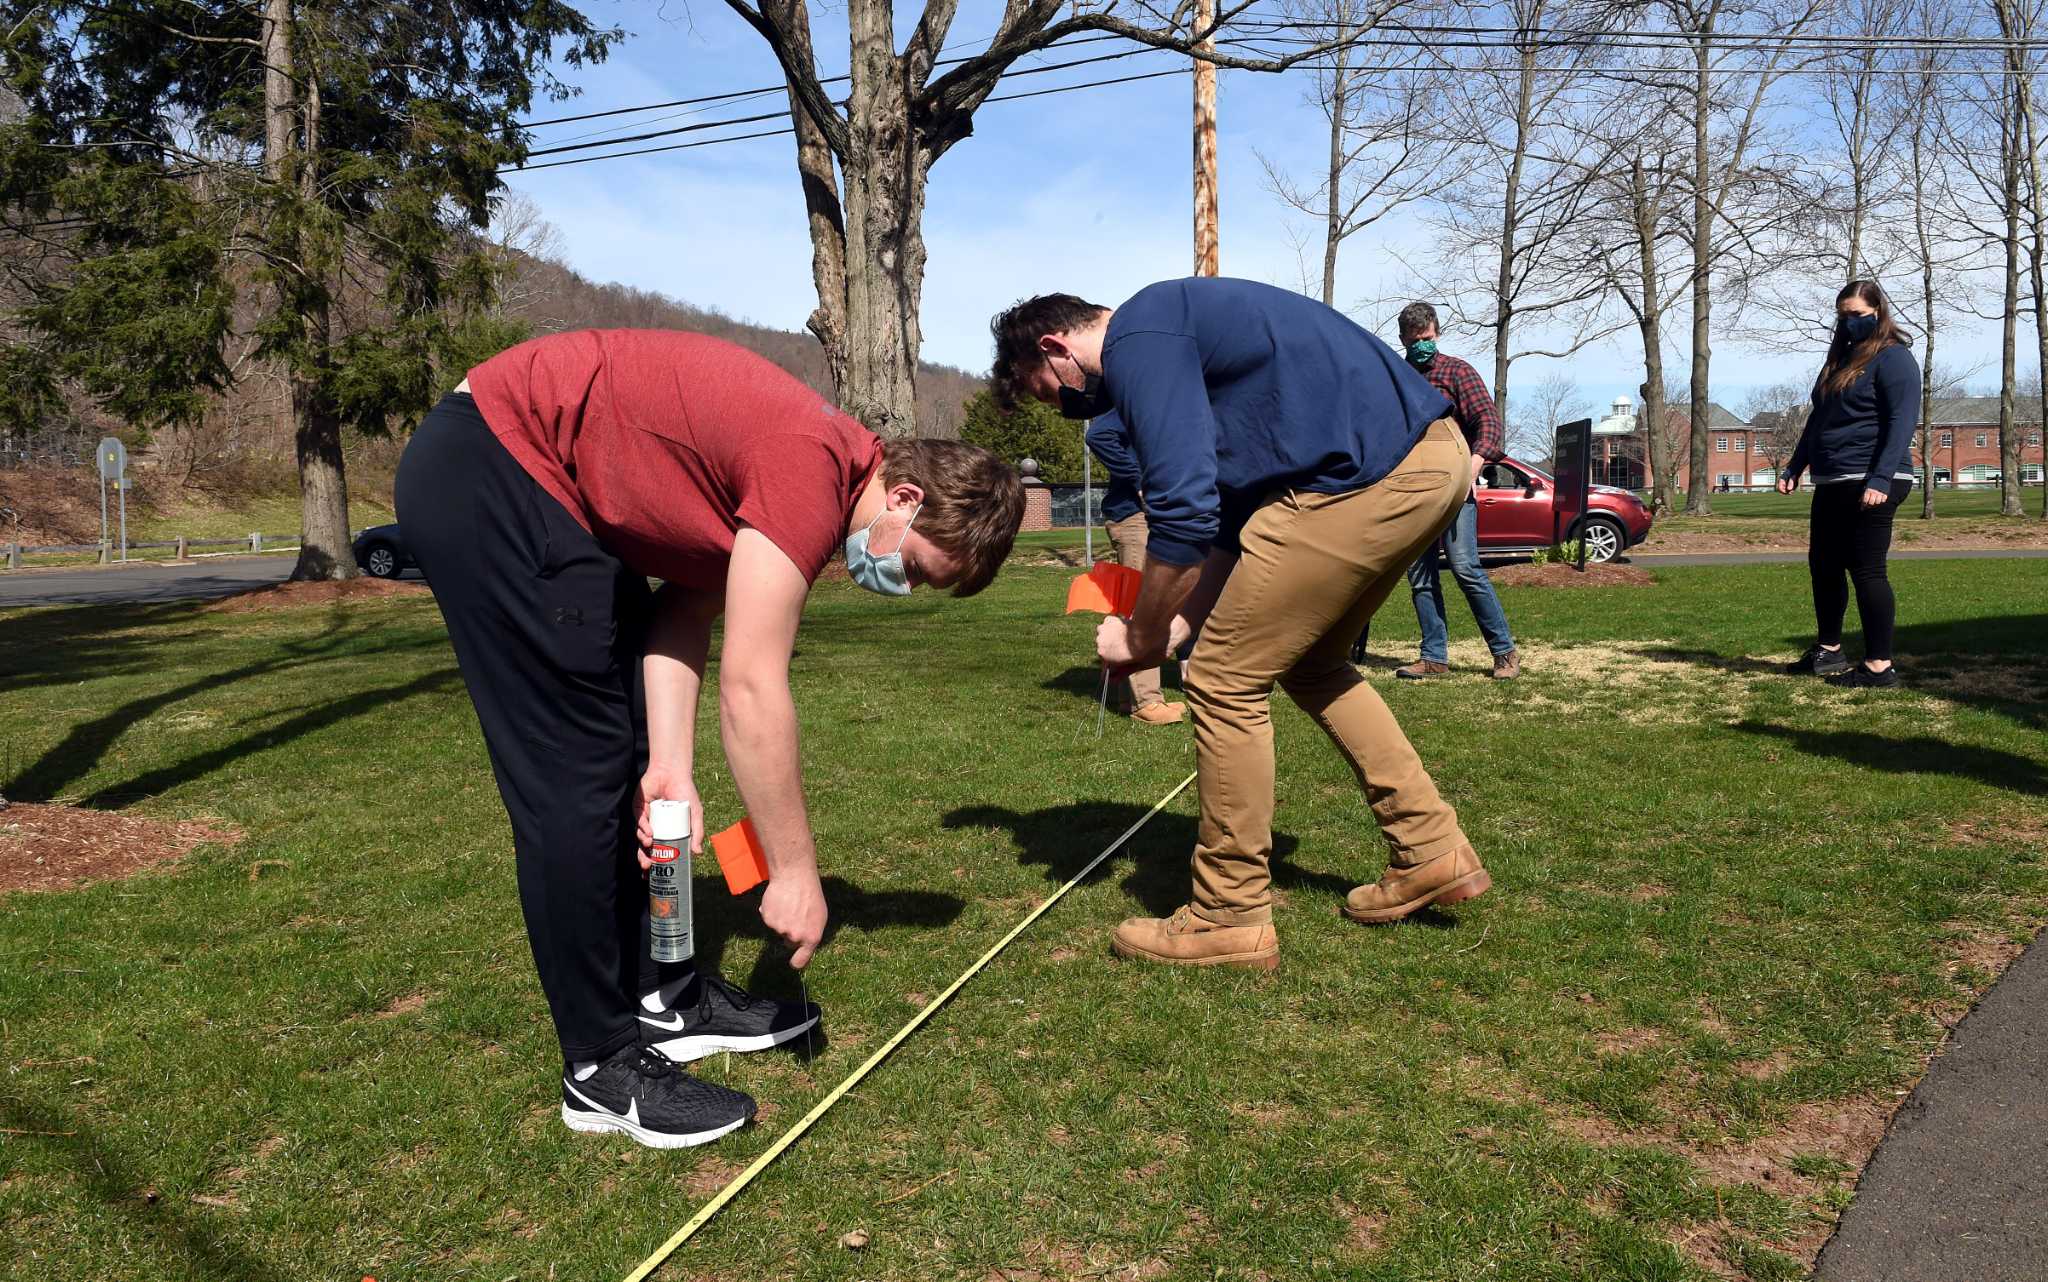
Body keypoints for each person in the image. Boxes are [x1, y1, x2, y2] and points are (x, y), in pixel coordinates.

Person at [396, 328, 1024, 1147]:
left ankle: (667, 999)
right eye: (915, 570)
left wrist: (669, 764)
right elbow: (752, 687)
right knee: (574, 775)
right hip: (496, 466)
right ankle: (598, 1067)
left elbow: (685, 609)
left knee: (624, 762)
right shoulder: (809, 470)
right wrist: (794, 873)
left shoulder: (814, 475)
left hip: (540, 485)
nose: (898, 586)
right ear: (904, 499)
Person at [990, 279, 1490, 971]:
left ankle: (1228, 912)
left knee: (1222, 677)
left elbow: (1183, 506)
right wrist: (1177, 623)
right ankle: (1430, 847)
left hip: (1367, 476)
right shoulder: (1180, 334)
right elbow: (1229, 518)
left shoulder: (1138, 334)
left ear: (1055, 346)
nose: (1067, 409)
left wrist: (1141, 634)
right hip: (1428, 460)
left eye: (1049, 391)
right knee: (1312, 665)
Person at [1778, 281, 1920, 690]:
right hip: (1833, 479)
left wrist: (1880, 477)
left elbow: (1901, 421)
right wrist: (1795, 465)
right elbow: (1819, 419)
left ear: (1877, 312)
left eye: (1857, 315)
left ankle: (1879, 666)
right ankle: (1829, 650)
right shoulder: (1841, 360)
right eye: (1843, 315)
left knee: (1867, 569)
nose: (1849, 322)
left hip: (1873, 479)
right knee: (1823, 565)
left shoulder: (1894, 358)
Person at [1382, 302, 1520, 681]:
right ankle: (1433, 657)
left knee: (1465, 568)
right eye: (1414, 341)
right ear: (1402, 340)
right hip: (1414, 490)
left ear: (1437, 333)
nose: (1421, 346)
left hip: (1457, 487)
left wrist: (1473, 465)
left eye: (1426, 338)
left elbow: (1488, 422)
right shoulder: (1398, 378)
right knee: (1420, 574)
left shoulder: (1457, 372)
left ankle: (1504, 653)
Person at [1086, 410, 1184, 725]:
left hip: (1145, 517)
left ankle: (1128, 696)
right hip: (1133, 518)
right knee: (1142, 604)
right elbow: (1098, 435)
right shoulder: (1136, 400)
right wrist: (1141, 481)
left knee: (1136, 603)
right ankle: (1147, 702)